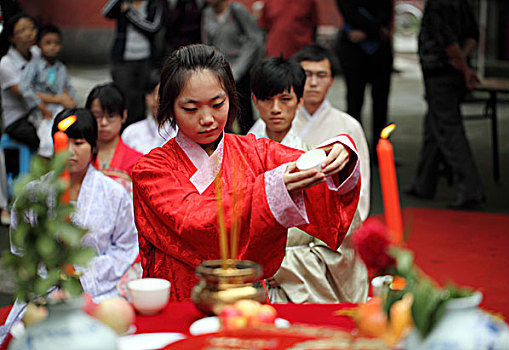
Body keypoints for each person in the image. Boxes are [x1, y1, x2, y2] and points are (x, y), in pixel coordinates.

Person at [132, 44, 361, 302]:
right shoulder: (150, 170)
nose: (207, 118)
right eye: (191, 109)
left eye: (218, 104)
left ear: (231, 97)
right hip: (181, 301)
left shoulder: (254, 151)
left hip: (246, 299)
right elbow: (195, 222)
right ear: (170, 107)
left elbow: (307, 166)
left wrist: (337, 154)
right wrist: (271, 191)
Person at [0, 108, 139, 343]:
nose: (71, 151)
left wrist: (83, 274)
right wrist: (51, 277)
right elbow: (21, 248)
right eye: (65, 143)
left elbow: (126, 246)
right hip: (44, 294)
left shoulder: (114, 193)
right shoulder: (33, 194)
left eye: (79, 142)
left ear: (93, 146)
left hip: (99, 292)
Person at [248, 56, 368, 303]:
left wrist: (273, 266)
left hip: (301, 292)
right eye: (267, 100)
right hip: (246, 288)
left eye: (285, 99)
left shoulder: (319, 166)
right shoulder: (237, 162)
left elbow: (340, 249)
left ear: (299, 101)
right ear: (254, 102)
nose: (276, 109)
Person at [407, 0, 485, 209]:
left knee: (449, 130)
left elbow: (448, 43)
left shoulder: (439, 3)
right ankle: (424, 183)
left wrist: (462, 65)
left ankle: (470, 191)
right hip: (449, 71)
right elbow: (472, 37)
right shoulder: (462, 3)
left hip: (440, 72)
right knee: (434, 126)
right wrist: (463, 62)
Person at [291, 44, 371, 220]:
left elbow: (361, 181)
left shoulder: (349, 126)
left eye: (321, 75)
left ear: (332, 80)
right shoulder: (275, 121)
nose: (313, 83)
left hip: (332, 218)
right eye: (307, 75)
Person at [335, 0, 393, 161]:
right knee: (354, 102)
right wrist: (376, 29)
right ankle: (355, 148)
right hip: (352, 52)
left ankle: (379, 150)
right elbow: (348, 12)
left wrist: (367, 32)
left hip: (379, 52)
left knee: (381, 103)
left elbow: (385, 14)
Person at [201, 0, 264, 134]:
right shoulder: (207, 14)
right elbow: (207, 43)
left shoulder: (237, 11)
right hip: (219, 73)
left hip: (240, 72)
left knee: (244, 115)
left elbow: (254, 40)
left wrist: (237, 69)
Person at [102, 0, 164, 128]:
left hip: (146, 59)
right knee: (124, 99)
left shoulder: (153, 4)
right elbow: (106, 12)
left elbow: (153, 28)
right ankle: (123, 131)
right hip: (123, 60)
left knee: (141, 100)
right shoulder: (122, 3)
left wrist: (129, 13)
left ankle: (139, 132)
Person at [18, 24, 77, 158]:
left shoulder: (61, 68)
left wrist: (73, 103)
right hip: (41, 111)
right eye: (48, 43)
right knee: (47, 136)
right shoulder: (34, 66)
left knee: (70, 130)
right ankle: (45, 162)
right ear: (39, 45)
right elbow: (24, 88)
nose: (52, 47)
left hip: (58, 110)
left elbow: (69, 88)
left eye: (56, 43)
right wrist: (39, 105)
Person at [85, 83, 143, 195]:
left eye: (110, 116)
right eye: (97, 116)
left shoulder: (138, 162)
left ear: (124, 116)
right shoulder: (79, 155)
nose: (103, 123)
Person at [0, 13, 41, 151]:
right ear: (12, 38)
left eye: (31, 28)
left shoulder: (37, 53)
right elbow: (25, 94)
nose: (29, 34)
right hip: (17, 120)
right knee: (41, 138)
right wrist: (58, 98)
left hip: (39, 113)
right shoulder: (6, 64)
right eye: (22, 30)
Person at [121, 80, 177, 154]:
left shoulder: (182, 131)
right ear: (144, 97)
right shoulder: (130, 133)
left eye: (161, 93)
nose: (156, 99)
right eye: (151, 93)